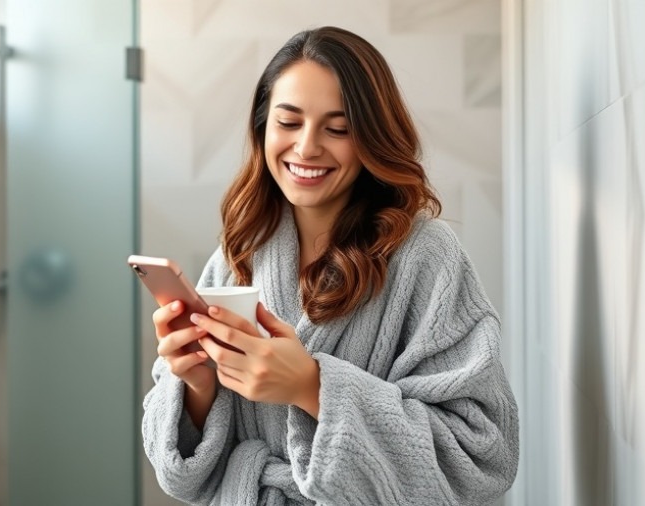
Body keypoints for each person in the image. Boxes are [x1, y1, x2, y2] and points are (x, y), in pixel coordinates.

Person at [142, 26, 519, 505]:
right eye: (289, 122)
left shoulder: (427, 255)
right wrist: (196, 387)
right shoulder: (241, 250)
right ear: (263, 128)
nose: (307, 148)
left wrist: (312, 386)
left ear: (371, 138)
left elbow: (484, 455)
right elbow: (180, 476)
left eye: (338, 129)